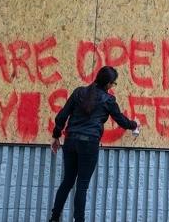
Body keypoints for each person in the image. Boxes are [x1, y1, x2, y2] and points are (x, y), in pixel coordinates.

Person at [49, 66, 139, 222]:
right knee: (82, 186)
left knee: (67, 181)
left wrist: (56, 135)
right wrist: (134, 124)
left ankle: (54, 218)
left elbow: (62, 116)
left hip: (70, 141)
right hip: (89, 144)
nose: (113, 86)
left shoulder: (79, 92)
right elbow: (121, 120)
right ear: (108, 84)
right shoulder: (108, 100)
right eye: (113, 83)